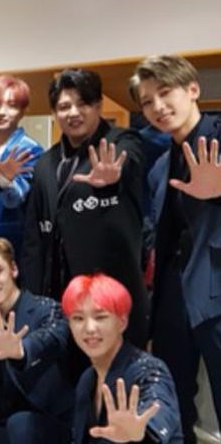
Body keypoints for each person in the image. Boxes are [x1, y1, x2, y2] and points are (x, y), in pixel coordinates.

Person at [21, 68, 149, 348]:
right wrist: (32, 298)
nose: (73, 113)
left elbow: (129, 160)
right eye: (64, 106)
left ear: (98, 106)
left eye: (83, 104)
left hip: (110, 294)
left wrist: (114, 175)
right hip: (58, 298)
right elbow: (34, 238)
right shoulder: (45, 164)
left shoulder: (120, 142)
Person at [129, 54, 221, 444]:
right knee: (173, 401)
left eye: (165, 93)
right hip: (173, 296)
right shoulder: (160, 166)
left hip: (216, 293)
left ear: (193, 89)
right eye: (147, 101)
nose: (158, 107)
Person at [0, 237, 72, 444]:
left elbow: (50, 340)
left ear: (13, 269)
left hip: (47, 425)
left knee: (19, 424)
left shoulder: (47, 309)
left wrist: (21, 350)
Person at [62, 273, 183, 444]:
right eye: (78, 318)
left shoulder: (149, 370)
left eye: (100, 317)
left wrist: (140, 434)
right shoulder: (87, 380)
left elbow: (158, 411)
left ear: (122, 322)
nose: (89, 328)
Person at [0, 75, 44, 260]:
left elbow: (17, 198)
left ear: (23, 111)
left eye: (11, 106)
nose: (1, 112)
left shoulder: (28, 148)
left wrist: (6, 182)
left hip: (5, 244)